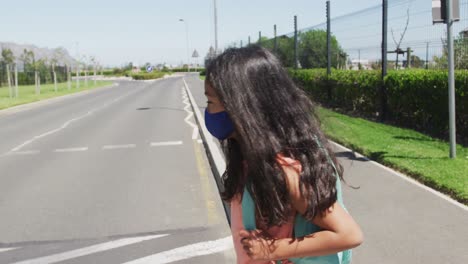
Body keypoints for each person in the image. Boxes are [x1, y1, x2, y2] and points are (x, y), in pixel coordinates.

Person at [203, 46, 363, 264]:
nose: (208, 111)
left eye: (211, 102)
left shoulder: (284, 169)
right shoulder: (249, 158)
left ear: (242, 108)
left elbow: (349, 234)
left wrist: (272, 249)